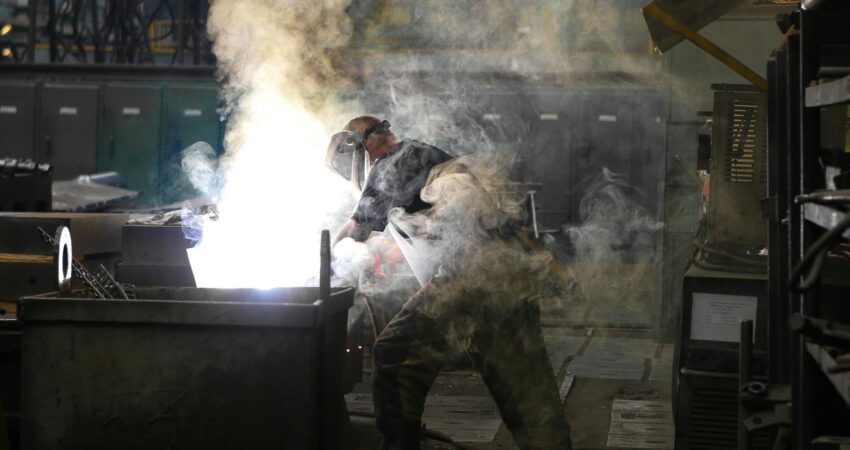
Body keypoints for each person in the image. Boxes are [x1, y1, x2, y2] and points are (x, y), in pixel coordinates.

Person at [328, 116, 572, 450]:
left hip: (471, 278)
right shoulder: (426, 162)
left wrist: (325, 263)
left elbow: (354, 231)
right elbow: (426, 228)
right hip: (508, 276)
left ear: (364, 145)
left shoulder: (393, 160)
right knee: (527, 395)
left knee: (394, 356)